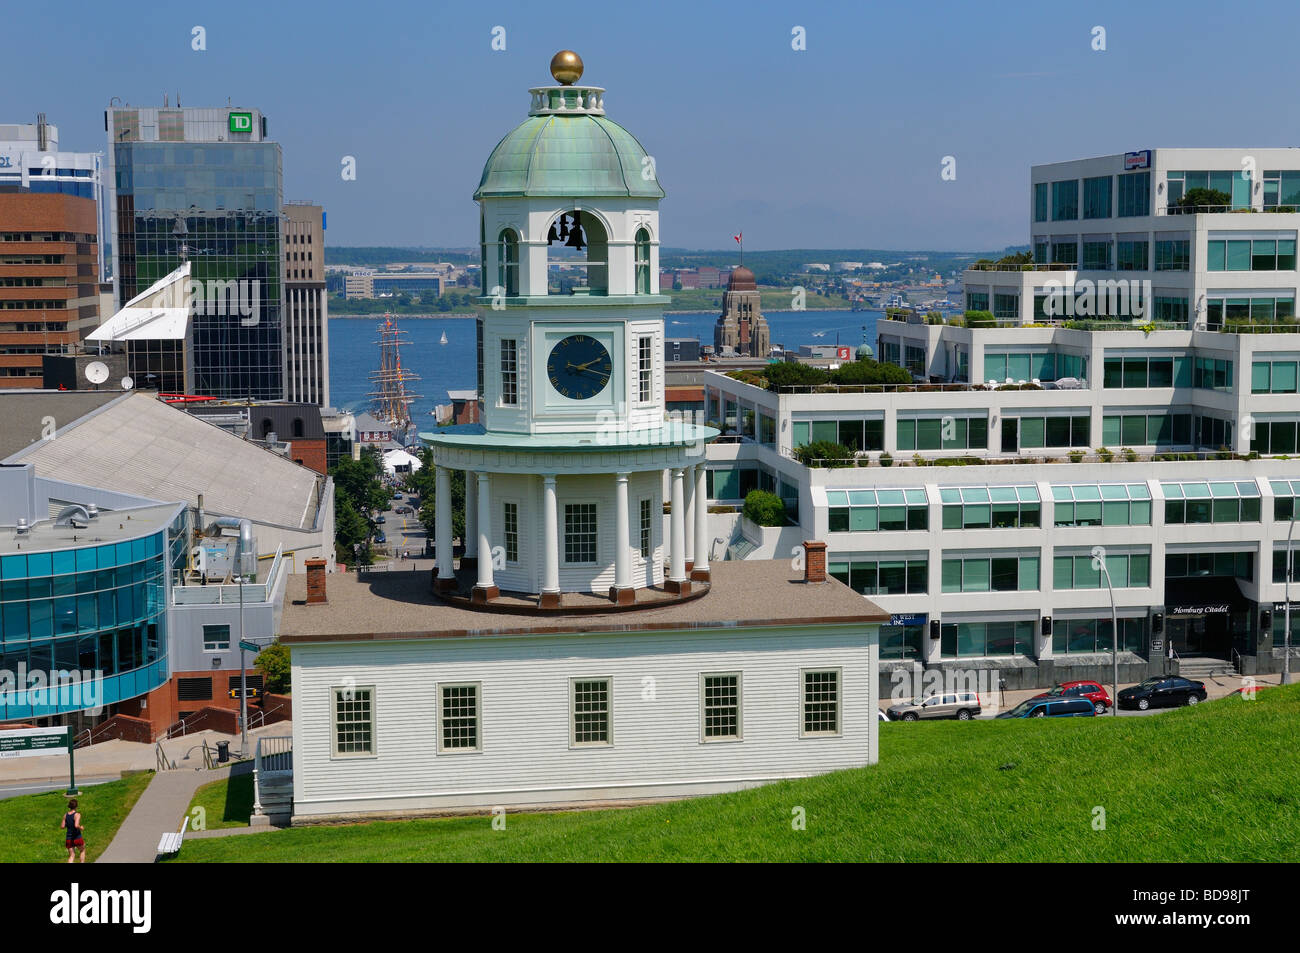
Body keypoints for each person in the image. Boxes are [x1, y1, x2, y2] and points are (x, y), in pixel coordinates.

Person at [62, 799, 85, 863]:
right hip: (77, 837)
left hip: (69, 838)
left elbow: (62, 826)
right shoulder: (77, 815)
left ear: (69, 806)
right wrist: (81, 828)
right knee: (82, 850)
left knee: (72, 855)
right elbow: (76, 825)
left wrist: (68, 823)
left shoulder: (65, 815)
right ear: (76, 806)